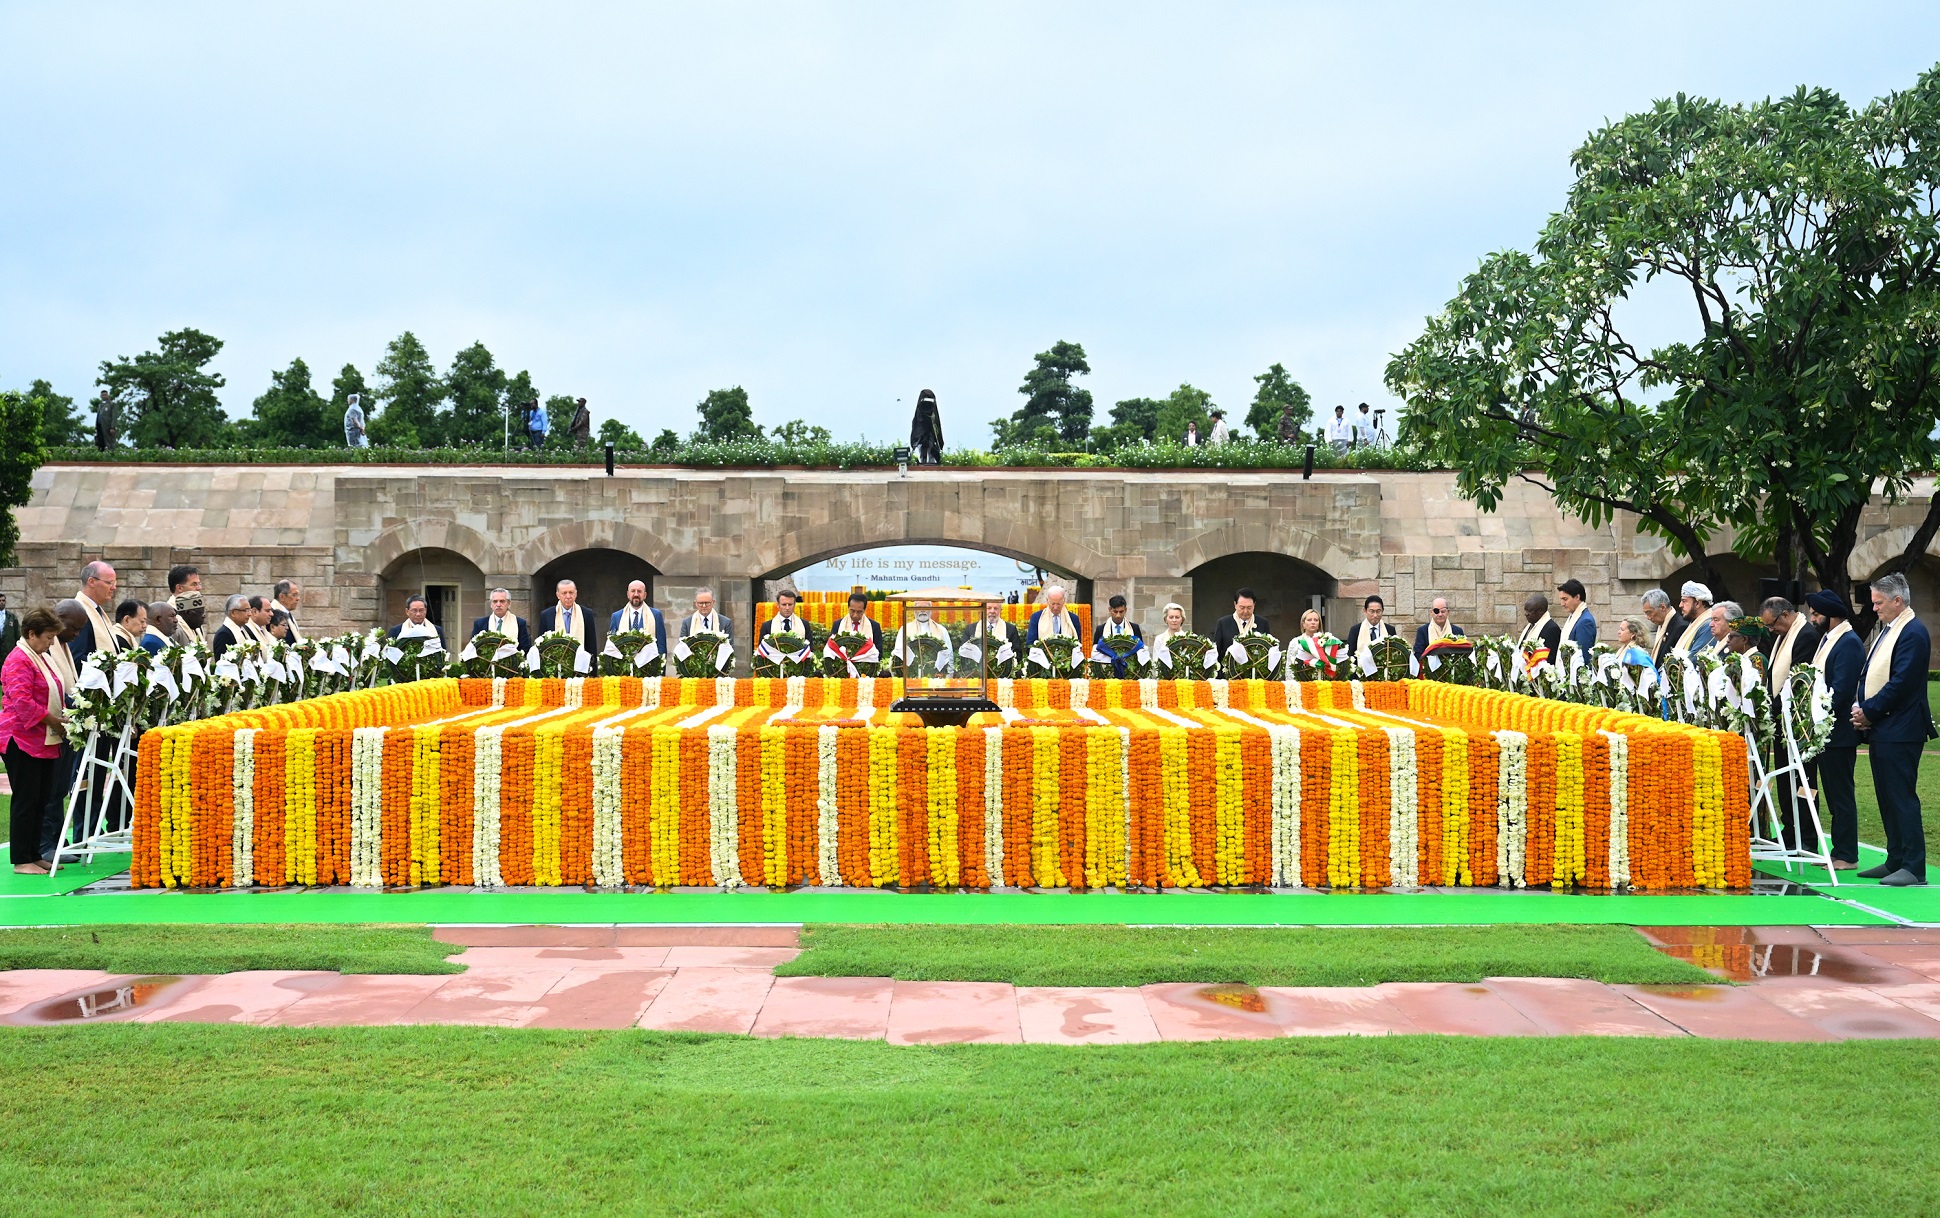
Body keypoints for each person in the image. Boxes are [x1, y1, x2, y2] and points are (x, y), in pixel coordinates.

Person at [1851, 572, 1935, 886]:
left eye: (1878, 602)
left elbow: (1901, 683)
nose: (1874, 608)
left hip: (1902, 728)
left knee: (1901, 796)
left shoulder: (1912, 632)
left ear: (1898, 600)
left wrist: (1868, 710)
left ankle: (1914, 867)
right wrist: (1864, 709)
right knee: (1887, 796)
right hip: (1887, 726)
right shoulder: (1892, 629)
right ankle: (1896, 858)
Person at [2, 607, 70, 874]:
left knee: (42, 797)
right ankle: (21, 859)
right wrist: (55, 722)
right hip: (20, 739)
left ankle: (34, 852)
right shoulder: (19, 659)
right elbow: (22, 702)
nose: (52, 643)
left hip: (41, 739)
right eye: (48, 637)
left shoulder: (39, 657)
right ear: (32, 634)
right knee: (26, 799)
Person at [1806, 590, 1864, 869]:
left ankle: (1847, 855)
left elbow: (1840, 690)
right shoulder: (1829, 640)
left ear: (1831, 616)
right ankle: (1839, 850)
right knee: (1832, 793)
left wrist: (1816, 709)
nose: (1812, 618)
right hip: (1824, 731)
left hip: (1838, 732)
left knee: (1840, 793)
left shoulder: (1848, 642)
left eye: (1816, 614)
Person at [1760, 596, 1821, 690]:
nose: (1771, 630)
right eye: (1767, 626)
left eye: (1772, 625)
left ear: (1785, 615)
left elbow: (1798, 678)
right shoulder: (1783, 633)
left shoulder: (1806, 635)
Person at [70, 560, 118, 669]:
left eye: (115, 583)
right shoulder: (78, 611)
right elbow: (76, 657)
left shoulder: (97, 609)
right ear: (91, 582)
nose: (114, 588)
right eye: (109, 583)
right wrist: (108, 664)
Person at [1091, 594, 1144, 677]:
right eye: (1115, 612)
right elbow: (1095, 652)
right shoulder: (1100, 629)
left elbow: (1141, 650)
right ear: (1110, 610)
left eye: (1121, 612)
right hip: (1107, 674)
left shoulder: (1134, 628)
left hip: (1130, 673)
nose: (1118, 615)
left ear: (1125, 610)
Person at [612, 580, 670, 655]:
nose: (636, 594)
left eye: (639, 591)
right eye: (633, 591)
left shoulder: (656, 615)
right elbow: (612, 646)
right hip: (624, 664)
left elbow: (661, 646)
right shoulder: (617, 616)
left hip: (649, 664)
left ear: (645, 595)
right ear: (628, 594)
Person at [538, 579, 597, 652]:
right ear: (558, 595)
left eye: (571, 592)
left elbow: (591, 644)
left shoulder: (586, 614)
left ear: (576, 594)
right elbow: (541, 645)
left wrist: (592, 662)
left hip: (580, 661)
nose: (568, 596)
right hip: (555, 661)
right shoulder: (546, 615)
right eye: (564, 593)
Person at [890, 606, 953, 671]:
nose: (922, 610)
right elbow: (898, 653)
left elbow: (948, 653)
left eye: (926, 607)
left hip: (936, 675)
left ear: (931, 610)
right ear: (914, 610)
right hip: (910, 674)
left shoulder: (941, 630)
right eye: (919, 607)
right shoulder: (904, 629)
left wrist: (950, 674)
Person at [1211, 587, 1271, 654]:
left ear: (1254, 605)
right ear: (1235, 605)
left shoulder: (1263, 623)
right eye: (1242, 607)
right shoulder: (1223, 623)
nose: (1245, 611)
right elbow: (1215, 652)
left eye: (1249, 608)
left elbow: (1268, 650)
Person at [1342, 594, 1393, 667]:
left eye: (1378, 611)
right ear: (1365, 611)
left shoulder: (1390, 630)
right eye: (1372, 611)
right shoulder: (1355, 630)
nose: (1375, 615)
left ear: (1382, 611)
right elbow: (1351, 657)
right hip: (1361, 675)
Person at [1516, 593, 1562, 671]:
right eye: (1525, 610)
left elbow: (1550, 659)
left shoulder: (1551, 629)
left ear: (1540, 610)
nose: (1526, 614)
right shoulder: (1531, 625)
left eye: (1529, 611)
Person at [1640, 588, 1686, 667]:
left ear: (1662, 607)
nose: (1648, 617)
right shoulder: (1662, 626)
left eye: (1649, 612)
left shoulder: (1681, 627)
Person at [1555, 579, 1598, 655]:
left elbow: (1584, 655)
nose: (1562, 604)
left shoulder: (1585, 622)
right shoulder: (1573, 616)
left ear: (1577, 597)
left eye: (1565, 599)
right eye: (1561, 599)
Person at [1673, 581, 1715, 655]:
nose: (1680, 605)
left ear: (1697, 603)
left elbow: (1694, 658)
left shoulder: (1709, 625)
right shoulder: (1695, 623)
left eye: (1684, 601)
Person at [211, 594, 252, 659]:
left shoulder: (243, 631)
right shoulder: (224, 634)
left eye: (250, 610)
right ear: (233, 613)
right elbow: (222, 663)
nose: (250, 614)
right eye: (246, 610)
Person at [910, 389, 944, 466]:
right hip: (922, 440)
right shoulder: (927, 415)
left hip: (929, 440)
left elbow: (937, 429)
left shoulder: (932, 416)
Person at [0, 592, 18, 664]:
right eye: (0, 601)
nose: (1, 602)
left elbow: (17, 633)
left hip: (8, 650)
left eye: (3, 601)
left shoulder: (11, 617)